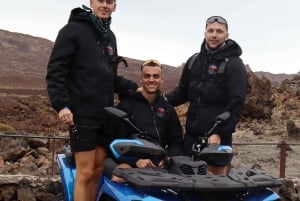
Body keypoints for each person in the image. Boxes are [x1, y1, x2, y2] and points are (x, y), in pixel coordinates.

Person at [46, 1, 138, 201]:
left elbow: (110, 77)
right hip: (82, 114)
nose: (105, 5)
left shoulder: (109, 36)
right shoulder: (72, 31)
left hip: (105, 115)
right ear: (91, 2)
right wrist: (61, 104)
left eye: (109, 2)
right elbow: (56, 71)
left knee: (97, 169)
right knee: (85, 172)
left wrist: (134, 89)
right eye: (100, 0)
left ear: (115, 6)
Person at [166, 16, 248, 175]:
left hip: (216, 138)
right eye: (211, 31)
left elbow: (236, 103)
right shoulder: (194, 61)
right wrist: (160, 100)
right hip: (191, 135)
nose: (214, 35)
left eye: (219, 31)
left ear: (227, 35)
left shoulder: (234, 64)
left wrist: (219, 133)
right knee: (187, 181)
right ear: (205, 33)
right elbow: (182, 93)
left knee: (214, 185)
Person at [106, 59, 184, 182]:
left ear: (161, 80)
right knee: (121, 177)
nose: (151, 80)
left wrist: (168, 159)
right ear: (141, 79)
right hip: (130, 161)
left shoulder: (168, 110)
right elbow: (113, 141)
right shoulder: (126, 106)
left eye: (156, 76)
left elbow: (177, 141)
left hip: (159, 163)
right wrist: (135, 160)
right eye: (147, 76)